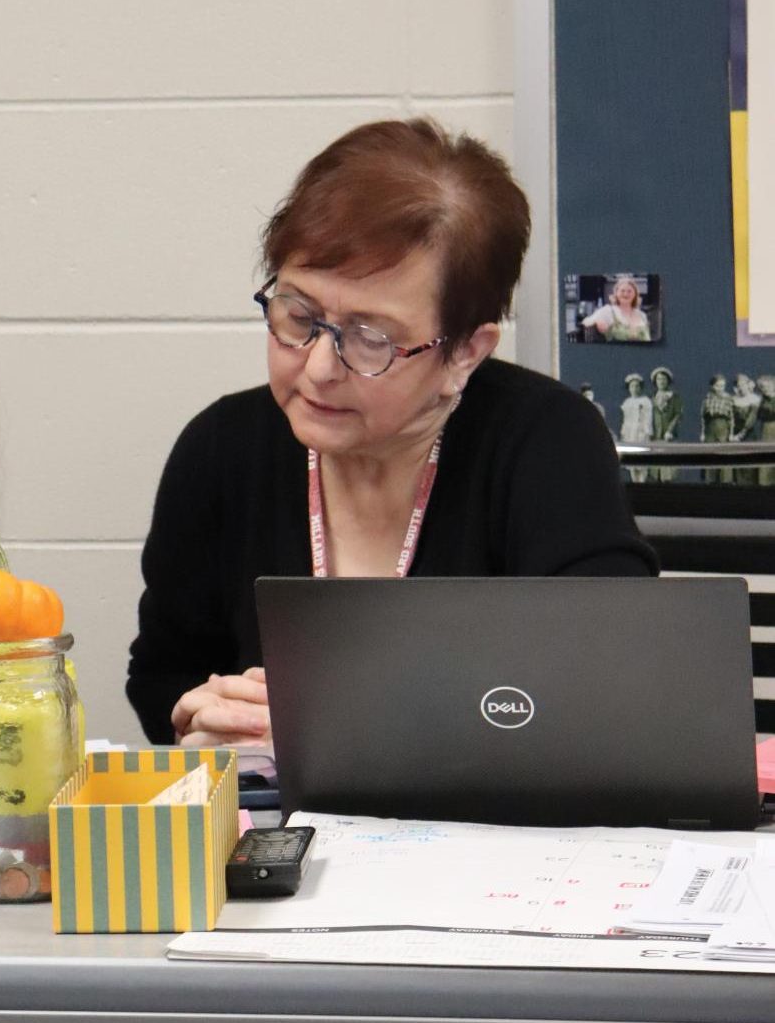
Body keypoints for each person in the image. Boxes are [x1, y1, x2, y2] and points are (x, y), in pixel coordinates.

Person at [126, 118, 657, 748]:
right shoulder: (222, 448)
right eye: (299, 316)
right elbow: (162, 675)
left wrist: (341, 731)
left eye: (370, 339)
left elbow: (607, 687)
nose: (320, 368)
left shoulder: (545, 442)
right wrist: (201, 711)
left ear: (465, 351)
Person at [581, 275, 651, 342]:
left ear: (635, 294)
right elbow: (586, 322)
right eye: (622, 291)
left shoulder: (642, 315)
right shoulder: (608, 311)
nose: (626, 294)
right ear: (616, 294)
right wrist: (596, 322)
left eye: (629, 291)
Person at [619, 372, 653, 483]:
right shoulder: (627, 402)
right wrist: (624, 432)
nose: (634, 388)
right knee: (632, 462)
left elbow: (648, 418)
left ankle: (642, 483)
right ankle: (634, 482)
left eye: (637, 386)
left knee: (642, 461)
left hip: (641, 432)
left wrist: (646, 432)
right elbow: (626, 419)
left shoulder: (645, 401)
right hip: (630, 433)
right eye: (632, 386)